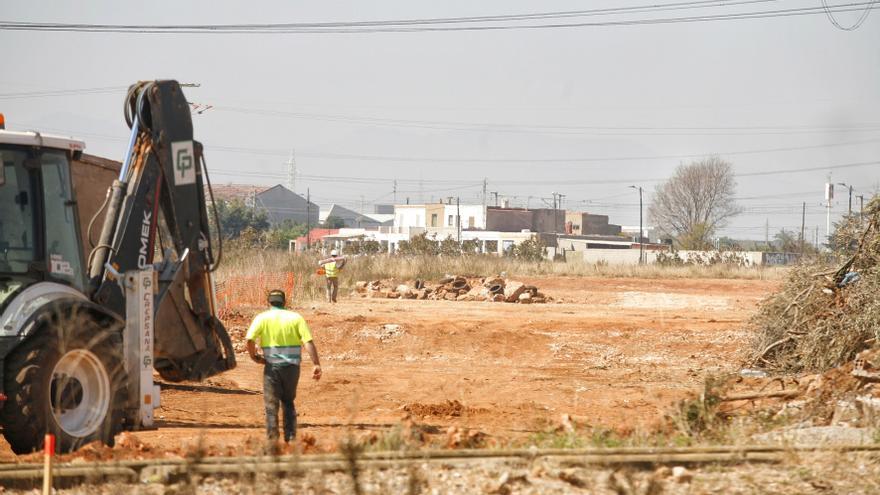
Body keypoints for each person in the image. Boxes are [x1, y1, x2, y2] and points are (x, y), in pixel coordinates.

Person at [246, 289, 322, 444]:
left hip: (272, 367)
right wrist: (316, 364)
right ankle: (291, 437)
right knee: (288, 401)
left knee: (271, 405)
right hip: (292, 367)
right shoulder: (295, 318)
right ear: (284, 302)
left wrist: (254, 357)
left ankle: (273, 440)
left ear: (269, 302)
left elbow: (249, 340)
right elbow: (308, 341)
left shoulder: (262, 318)